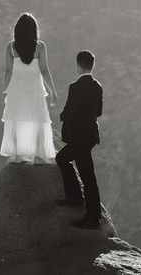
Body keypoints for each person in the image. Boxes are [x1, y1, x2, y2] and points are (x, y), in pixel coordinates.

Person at [0, 13, 58, 163]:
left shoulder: (11, 48)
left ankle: (19, 156)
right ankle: (39, 155)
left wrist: (5, 90)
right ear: (34, 30)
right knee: (38, 118)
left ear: (17, 30)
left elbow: (7, 71)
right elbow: (45, 70)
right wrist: (52, 90)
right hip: (35, 90)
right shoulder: (40, 47)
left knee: (17, 119)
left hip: (16, 89)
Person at [55, 49, 103, 229]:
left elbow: (69, 110)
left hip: (78, 137)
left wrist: (62, 115)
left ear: (78, 65)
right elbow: (98, 111)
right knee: (63, 159)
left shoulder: (75, 87)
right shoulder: (98, 86)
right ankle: (76, 198)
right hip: (89, 136)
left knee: (87, 176)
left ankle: (93, 217)